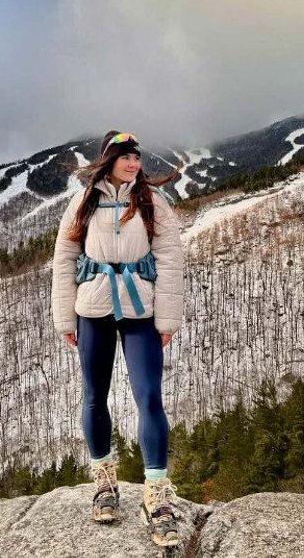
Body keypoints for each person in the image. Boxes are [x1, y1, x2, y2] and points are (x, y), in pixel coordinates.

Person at [50, 130, 185, 548]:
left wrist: (167, 320)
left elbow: (170, 259)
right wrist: (64, 317)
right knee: (95, 395)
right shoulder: (84, 201)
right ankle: (105, 484)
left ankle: (156, 495)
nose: (133, 162)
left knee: (149, 398)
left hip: (140, 308)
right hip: (93, 308)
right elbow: (65, 258)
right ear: (108, 161)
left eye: (137, 156)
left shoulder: (152, 201)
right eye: (125, 156)